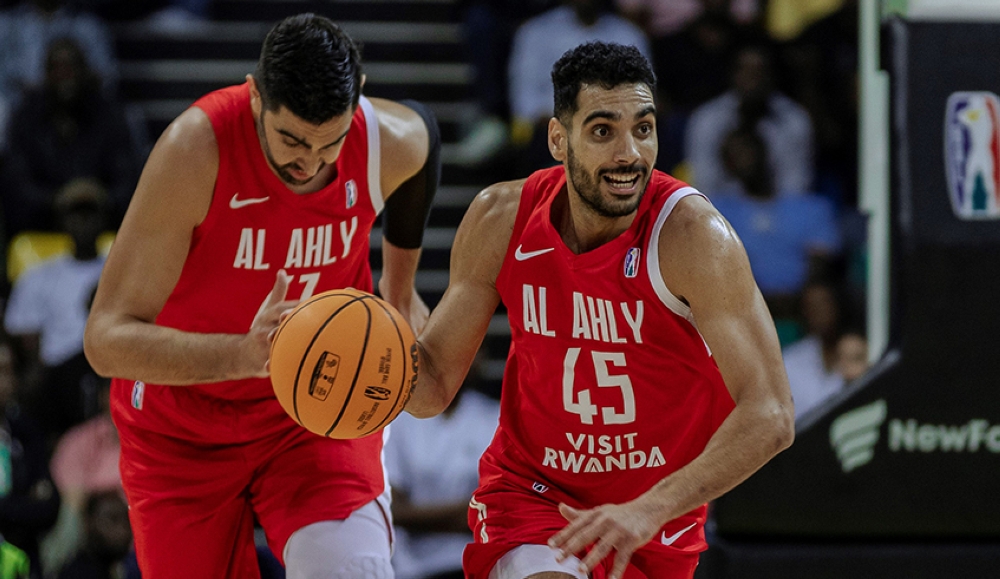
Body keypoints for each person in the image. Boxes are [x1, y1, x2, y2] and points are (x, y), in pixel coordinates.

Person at [406, 41, 794, 579]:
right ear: (558, 139)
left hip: (654, 512)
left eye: (644, 127)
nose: (630, 153)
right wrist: (379, 357)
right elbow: (431, 390)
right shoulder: (500, 218)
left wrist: (649, 509)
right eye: (603, 130)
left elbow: (771, 415)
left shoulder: (691, 237)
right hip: (534, 493)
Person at [83, 13, 440, 579]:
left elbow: (425, 141)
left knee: (352, 571)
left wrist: (399, 288)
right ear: (255, 96)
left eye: (331, 143)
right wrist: (241, 356)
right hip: (180, 431)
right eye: (293, 139)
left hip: (316, 409)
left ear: (359, 102)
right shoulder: (195, 149)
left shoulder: (378, 140)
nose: (312, 162)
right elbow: (105, 341)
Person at [4, 178, 110, 442]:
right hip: (56, 372)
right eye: (75, 214)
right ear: (62, 220)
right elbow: (23, 338)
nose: (83, 222)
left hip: (108, 365)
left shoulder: (119, 270)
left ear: (103, 219)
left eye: (90, 213)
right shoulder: (39, 276)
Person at [384, 352, 500, 579]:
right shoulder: (398, 422)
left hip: (478, 566)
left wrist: (418, 517)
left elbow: (500, 510)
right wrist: (470, 513)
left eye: (476, 352)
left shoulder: (494, 416)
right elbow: (393, 511)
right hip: (414, 569)